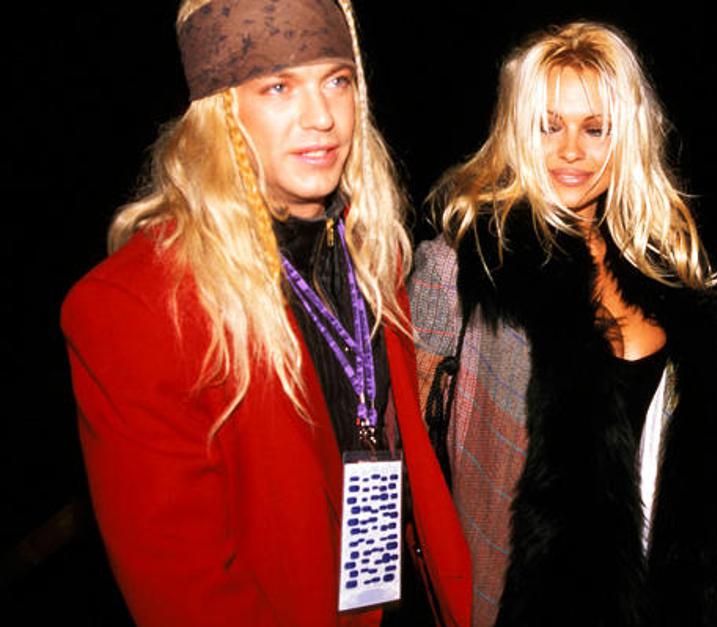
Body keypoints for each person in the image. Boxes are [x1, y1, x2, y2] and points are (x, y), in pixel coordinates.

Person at [61, 1, 470, 625]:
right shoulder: (135, 306)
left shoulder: (372, 252)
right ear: (221, 113)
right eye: (279, 87)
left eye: (337, 81)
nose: (322, 117)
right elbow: (186, 593)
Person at [409, 21, 717, 626]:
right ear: (517, 133)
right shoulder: (461, 267)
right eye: (549, 126)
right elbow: (408, 460)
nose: (571, 150)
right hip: (516, 602)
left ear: (626, 138)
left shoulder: (659, 269)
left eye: (595, 129)